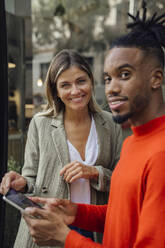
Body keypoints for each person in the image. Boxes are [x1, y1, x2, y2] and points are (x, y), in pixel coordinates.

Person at [22, 2, 165, 247]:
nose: (111, 88)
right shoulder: (132, 142)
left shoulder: (160, 153)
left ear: (156, 78)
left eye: (125, 74)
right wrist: (76, 213)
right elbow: (121, 215)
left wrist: (65, 236)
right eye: (108, 78)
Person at [0, 49, 123, 248]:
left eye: (81, 81)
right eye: (65, 85)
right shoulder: (41, 123)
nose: (75, 91)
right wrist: (21, 183)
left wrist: (95, 173)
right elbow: (30, 180)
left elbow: (123, 182)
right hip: (48, 226)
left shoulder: (111, 124)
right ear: (55, 90)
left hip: (95, 226)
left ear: (91, 81)